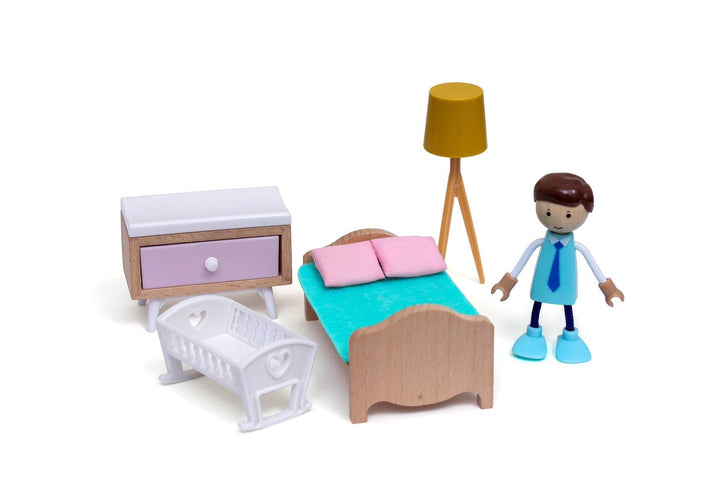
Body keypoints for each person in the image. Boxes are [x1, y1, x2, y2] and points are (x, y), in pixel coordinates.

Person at [491, 172, 623, 363]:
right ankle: (533, 334)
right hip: (542, 285)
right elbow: (520, 263)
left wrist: (609, 290)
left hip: (565, 288)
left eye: (568, 215)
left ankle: (570, 337)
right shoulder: (539, 243)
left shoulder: (577, 247)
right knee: (537, 304)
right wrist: (506, 285)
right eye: (549, 212)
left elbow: (595, 268)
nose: (559, 220)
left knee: (567, 307)